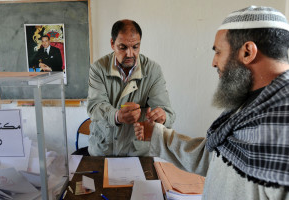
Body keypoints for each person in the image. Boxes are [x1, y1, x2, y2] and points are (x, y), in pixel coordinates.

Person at [134, 6, 289, 199]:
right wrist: (157, 135)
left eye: (218, 52)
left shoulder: (282, 126)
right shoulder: (248, 107)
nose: (214, 62)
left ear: (247, 52)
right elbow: (215, 158)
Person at [87, 19, 176, 156]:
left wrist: (161, 118)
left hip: (138, 152)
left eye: (135, 47)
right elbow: (94, 107)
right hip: (103, 149)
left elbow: (168, 113)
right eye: (123, 47)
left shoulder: (153, 71)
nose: (130, 54)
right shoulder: (98, 68)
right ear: (112, 43)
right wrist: (117, 116)